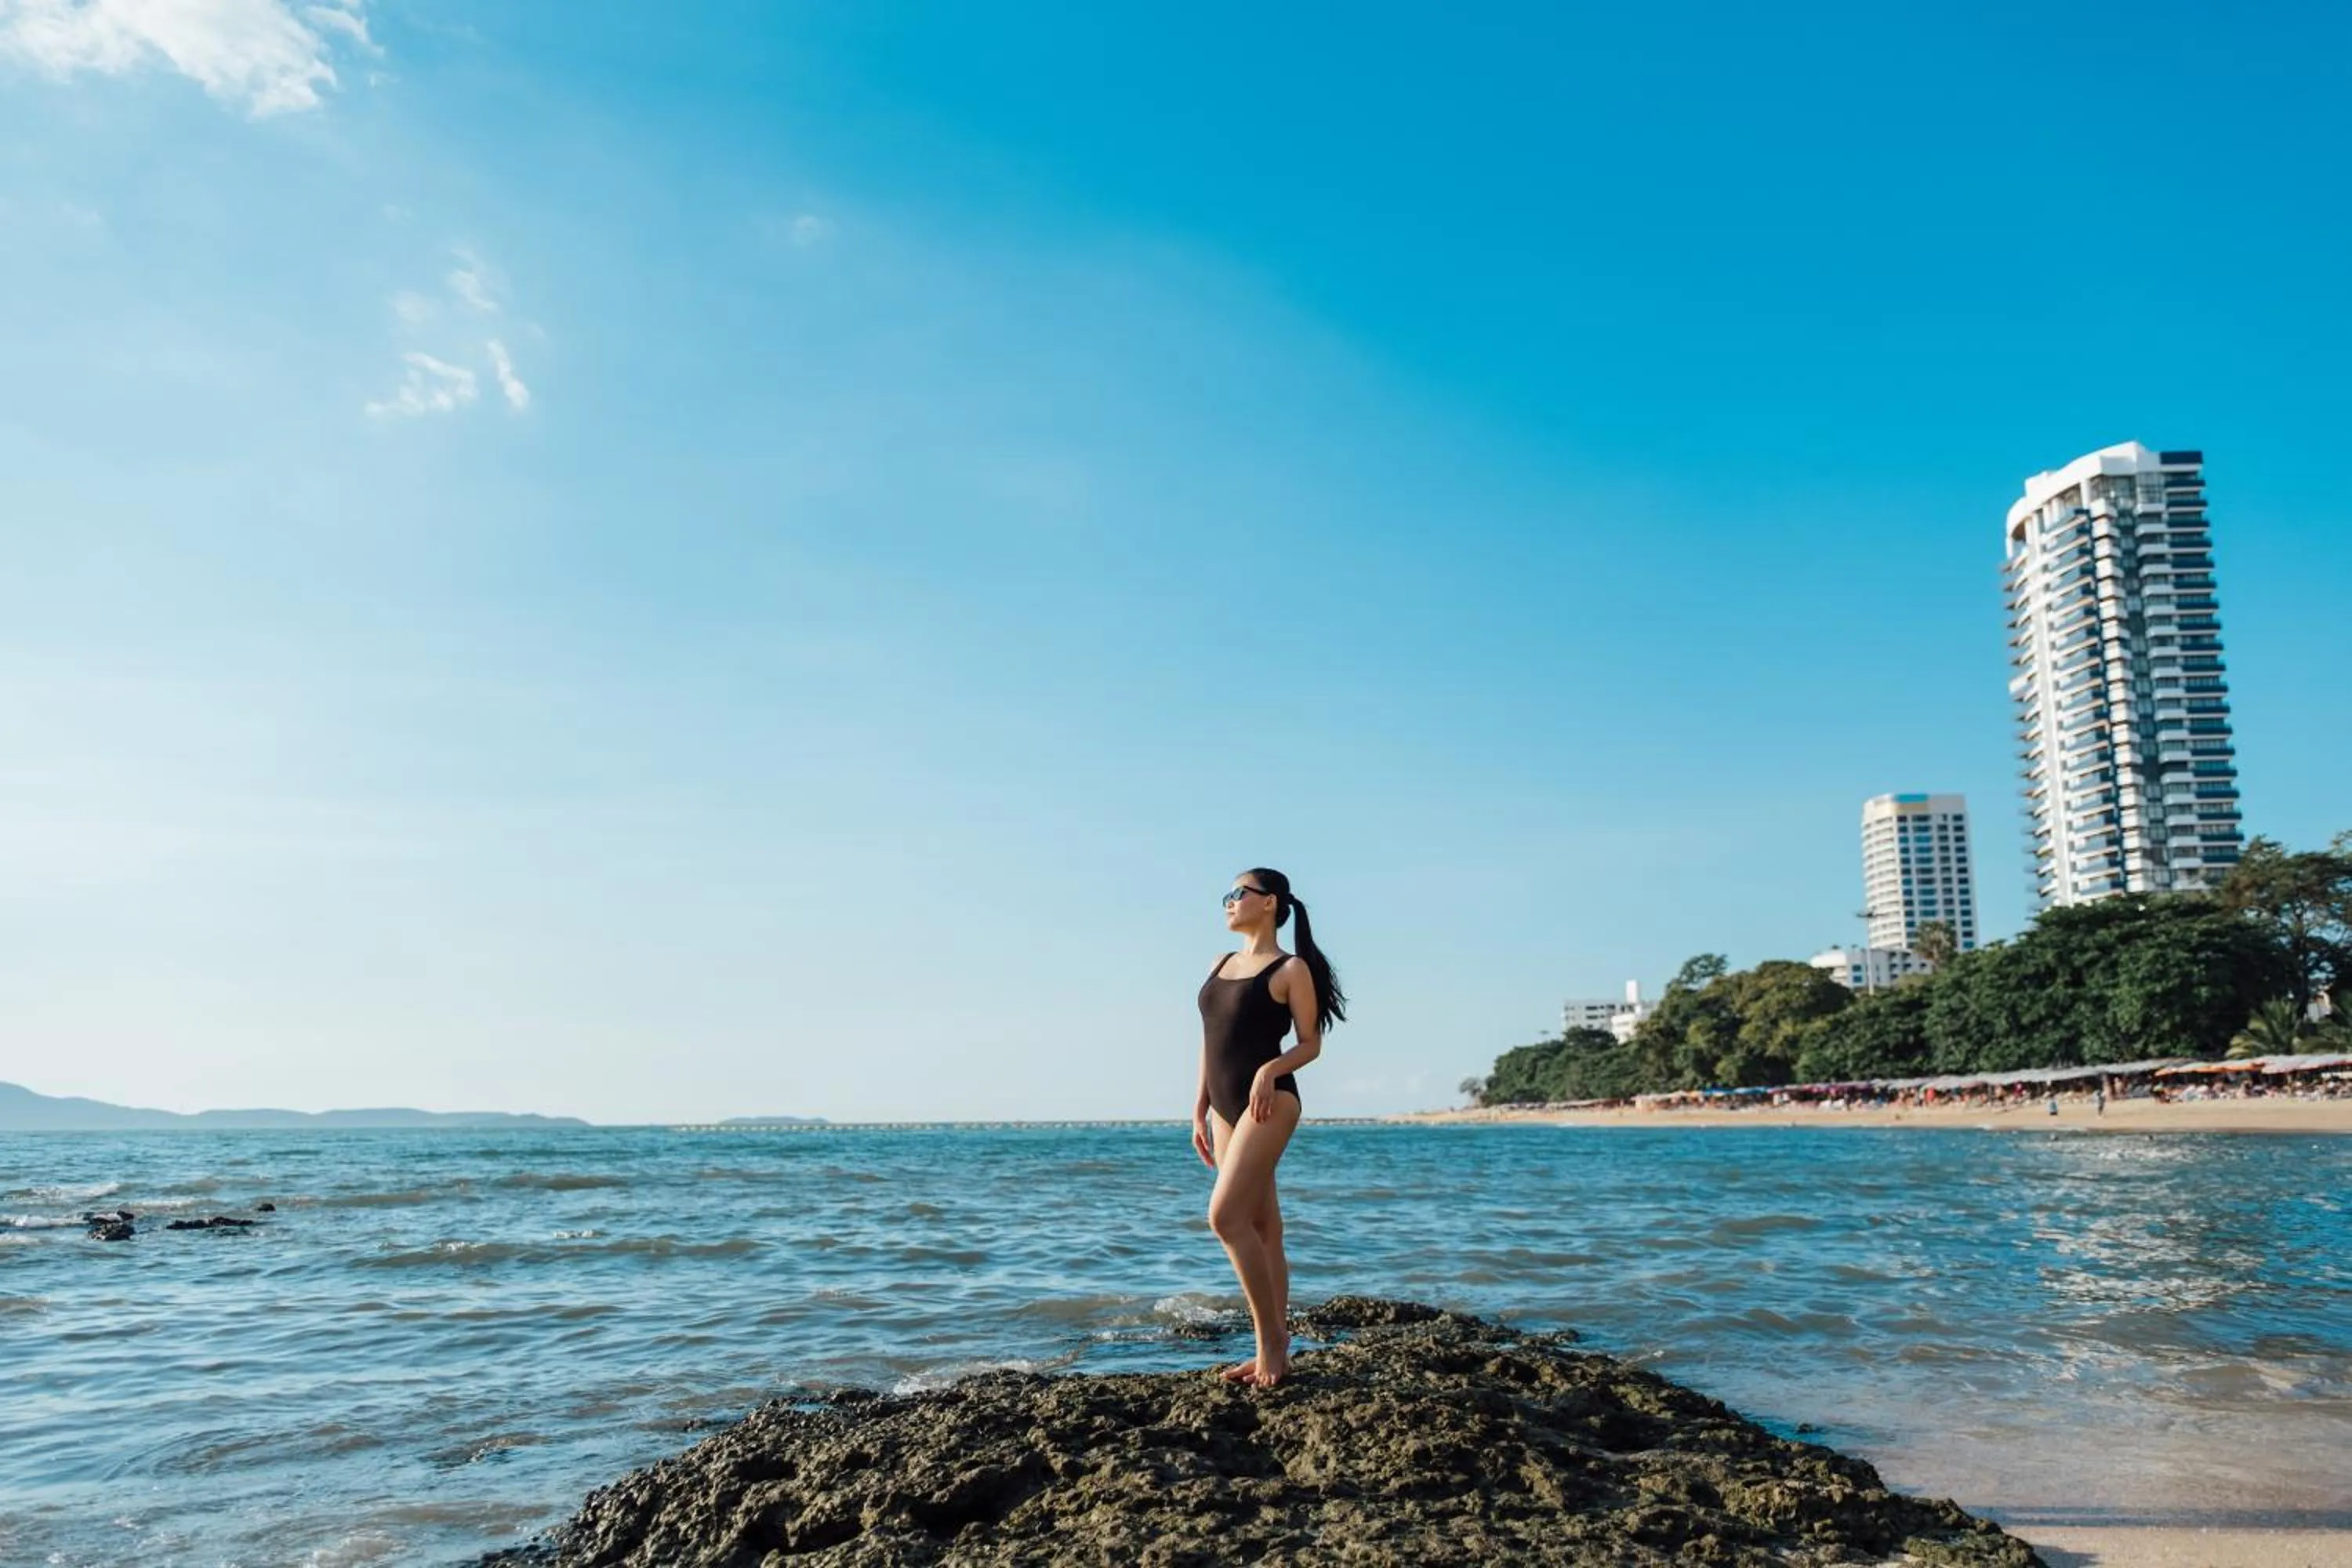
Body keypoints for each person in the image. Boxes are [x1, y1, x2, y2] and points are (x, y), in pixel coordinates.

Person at [1193, 868, 1345, 1388]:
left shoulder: (1291, 969)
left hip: (1269, 1103)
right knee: (1262, 1227)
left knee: (1224, 1217)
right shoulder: (1220, 963)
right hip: (1223, 1108)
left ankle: (1271, 1345)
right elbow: (1210, 1040)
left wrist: (1268, 1071)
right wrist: (1199, 1106)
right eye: (1228, 895)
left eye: (1239, 893)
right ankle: (1271, 1349)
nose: (1229, 902)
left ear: (1269, 903)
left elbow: (1310, 1043)